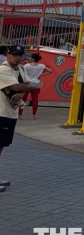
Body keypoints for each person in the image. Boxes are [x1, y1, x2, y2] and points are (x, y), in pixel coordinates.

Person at [0, 45, 37, 192]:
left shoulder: (20, 69)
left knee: (2, 145)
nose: (18, 57)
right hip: (1, 113)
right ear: (7, 54)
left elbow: (24, 85)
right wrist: (32, 88)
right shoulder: (4, 69)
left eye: (20, 54)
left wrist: (22, 93)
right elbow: (20, 87)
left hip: (10, 112)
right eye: (15, 54)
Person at [19, 54, 51, 119]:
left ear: (33, 59)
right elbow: (50, 71)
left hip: (27, 83)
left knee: (23, 99)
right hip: (36, 84)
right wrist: (41, 75)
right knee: (35, 100)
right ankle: (33, 115)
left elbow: (22, 72)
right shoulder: (41, 66)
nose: (30, 59)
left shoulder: (26, 65)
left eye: (31, 58)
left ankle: (19, 115)